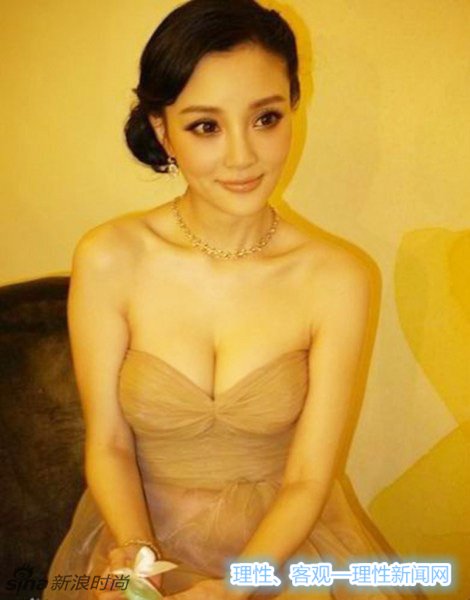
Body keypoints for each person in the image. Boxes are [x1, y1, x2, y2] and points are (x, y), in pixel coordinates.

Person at [44, 1, 428, 599]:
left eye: (265, 118)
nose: (243, 156)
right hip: (138, 536)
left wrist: (234, 588)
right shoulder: (109, 258)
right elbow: (110, 444)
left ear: (292, 110)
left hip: (282, 552)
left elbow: (308, 478)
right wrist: (140, 566)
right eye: (206, 126)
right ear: (162, 130)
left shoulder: (338, 277)